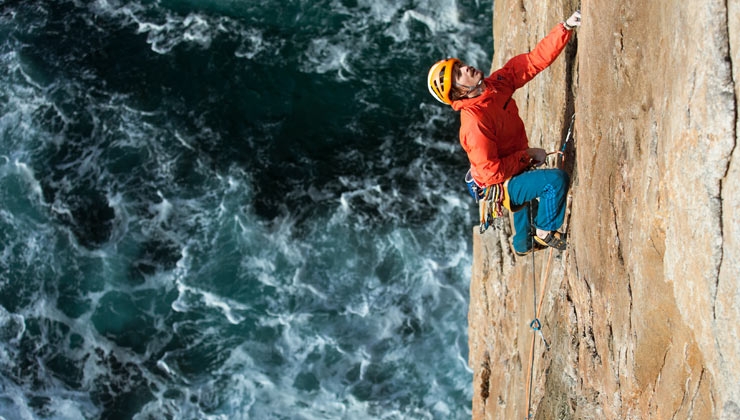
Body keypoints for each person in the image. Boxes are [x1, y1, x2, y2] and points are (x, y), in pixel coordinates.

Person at [427, 11, 581, 256]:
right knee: (554, 182)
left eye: (460, 66)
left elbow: (531, 62)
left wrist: (564, 28)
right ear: (459, 94)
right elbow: (491, 172)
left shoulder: (494, 86)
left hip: (513, 166)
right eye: (459, 74)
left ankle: (522, 244)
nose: (465, 68)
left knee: (523, 203)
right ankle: (544, 232)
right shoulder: (475, 123)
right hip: (500, 181)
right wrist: (528, 155)